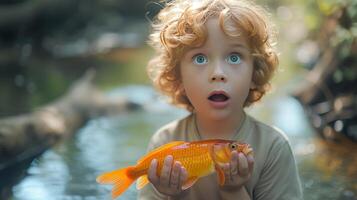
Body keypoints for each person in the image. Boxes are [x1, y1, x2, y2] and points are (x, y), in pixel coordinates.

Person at [138, 0, 303, 199]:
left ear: (254, 73)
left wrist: (233, 191)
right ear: (178, 77)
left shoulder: (273, 148)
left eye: (234, 57)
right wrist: (175, 196)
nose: (218, 73)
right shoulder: (163, 144)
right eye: (200, 58)